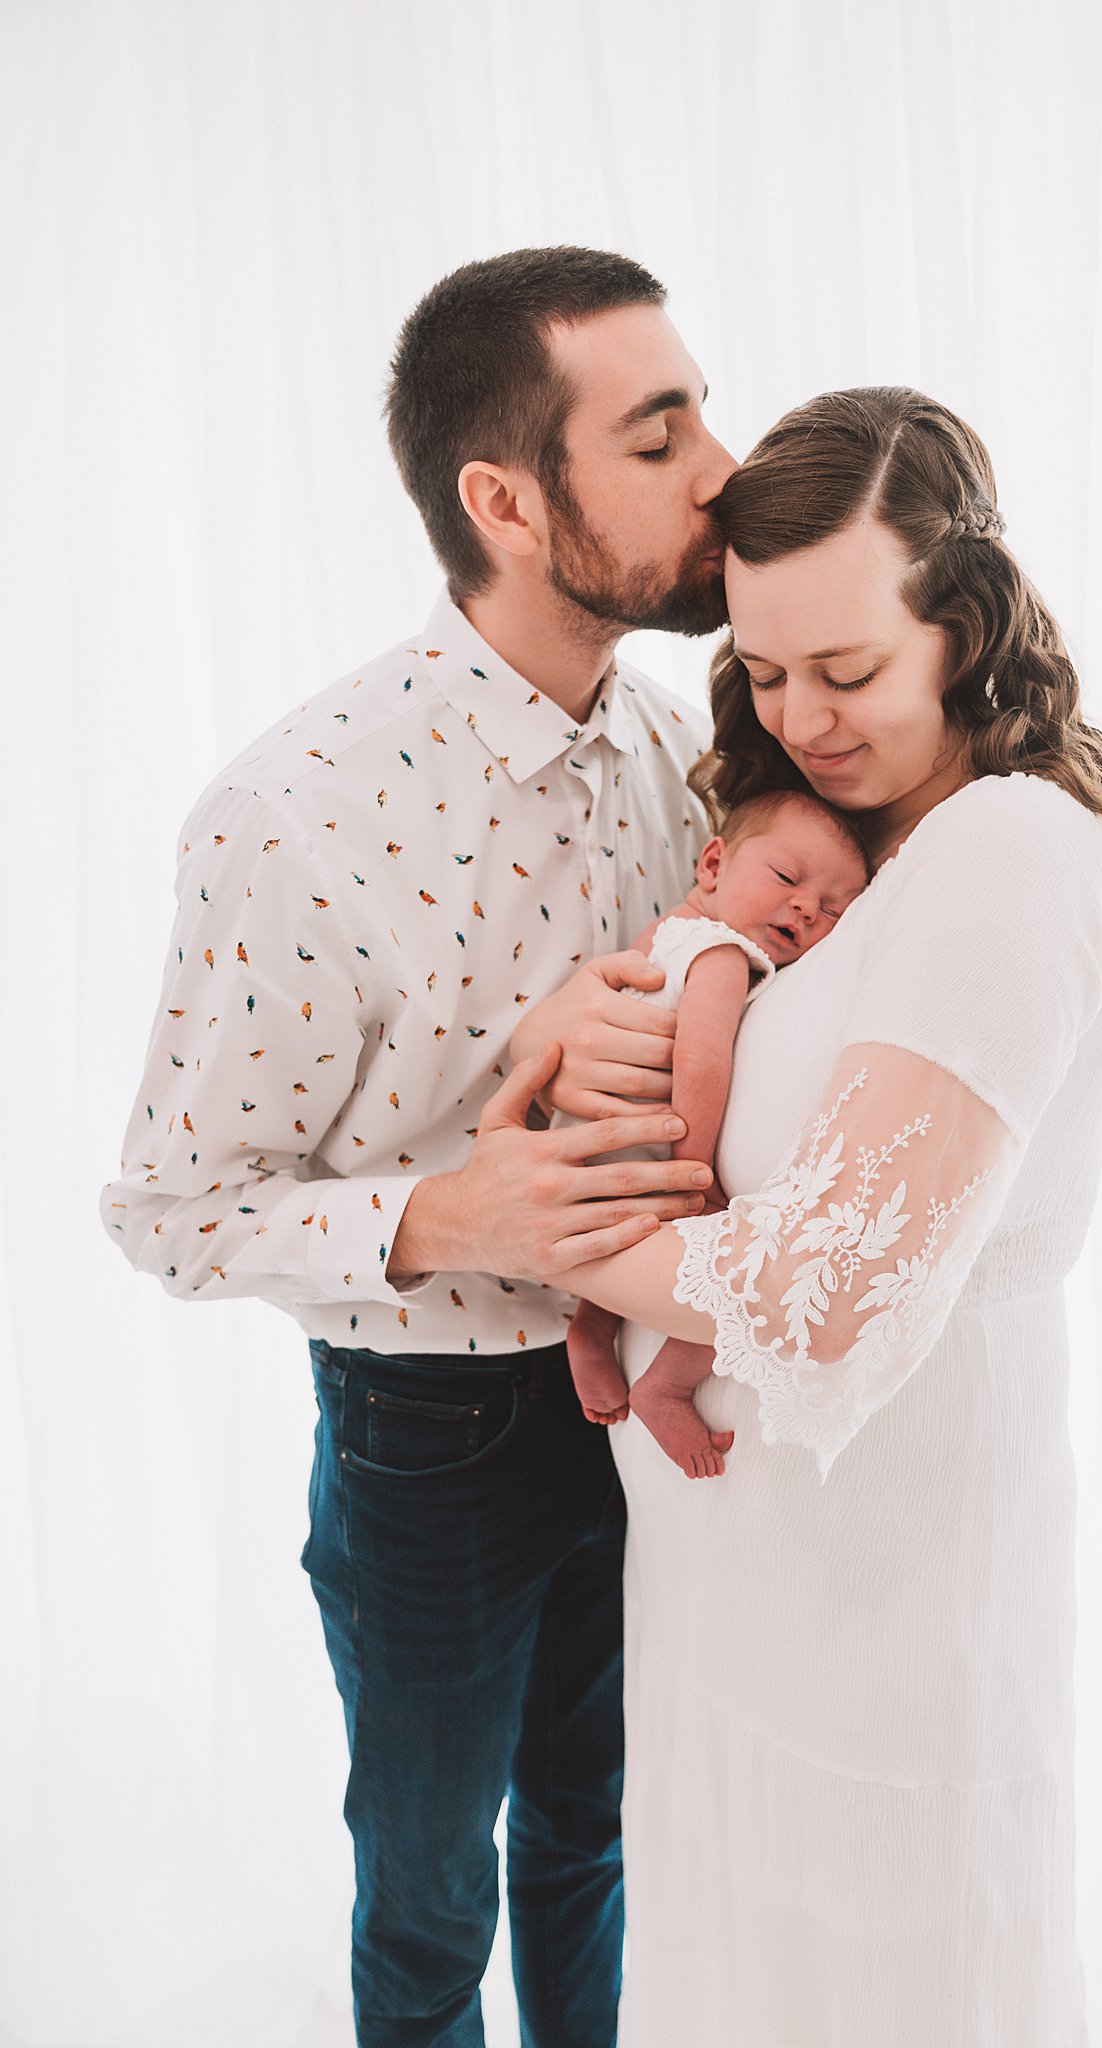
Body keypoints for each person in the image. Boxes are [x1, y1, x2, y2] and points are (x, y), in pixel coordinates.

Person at [426, 387, 1102, 2044]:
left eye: (846, 671)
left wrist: (518, 1223)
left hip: (886, 1628)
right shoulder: (838, 853)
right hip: (735, 1618)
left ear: (963, 628)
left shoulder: (1006, 850)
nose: (804, 716)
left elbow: (823, 1290)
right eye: (764, 674)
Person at [100, 245, 735, 2048]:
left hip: (649, 1400)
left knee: (597, 1838)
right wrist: (447, 1207)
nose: (722, 469)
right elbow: (167, 1209)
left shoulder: (666, 743)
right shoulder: (289, 814)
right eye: (661, 431)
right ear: (506, 502)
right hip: (430, 1441)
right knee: (432, 1896)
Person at [566, 788, 869, 1475]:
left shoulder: (666, 932)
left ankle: (589, 1328)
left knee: (620, 1251)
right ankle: (667, 1386)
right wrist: (694, 1174)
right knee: (735, 1272)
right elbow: (700, 1061)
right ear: (712, 865)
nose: (803, 907)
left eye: (831, 910)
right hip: (653, 1154)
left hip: (594, 1145)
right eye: (788, 880)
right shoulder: (723, 954)